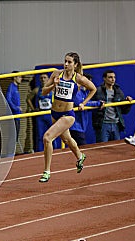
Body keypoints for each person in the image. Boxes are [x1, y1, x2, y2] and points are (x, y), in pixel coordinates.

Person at [39, 52, 97, 183]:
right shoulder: (56, 74)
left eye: (69, 62)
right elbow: (43, 91)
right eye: (65, 61)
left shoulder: (78, 78)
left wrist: (83, 103)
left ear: (75, 65)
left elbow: (93, 89)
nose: (66, 64)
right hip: (54, 113)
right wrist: (54, 85)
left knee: (47, 138)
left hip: (67, 115)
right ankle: (80, 156)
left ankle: (47, 171)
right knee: (67, 139)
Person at [91, 70, 133, 143]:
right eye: (110, 77)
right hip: (103, 124)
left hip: (115, 124)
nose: (113, 79)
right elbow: (91, 105)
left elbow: (124, 111)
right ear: (104, 78)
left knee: (116, 149)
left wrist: (128, 102)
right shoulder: (98, 90)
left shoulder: (118, 91)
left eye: (114, 77)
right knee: (102, 148)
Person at [70, 73, 103, 146]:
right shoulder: (76, 91)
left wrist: (97, 106)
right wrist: (98, 103)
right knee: (82, 147)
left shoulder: (85, 93)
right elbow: (80, 103)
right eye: (88, 82)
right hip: (74, 126)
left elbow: (86, 105)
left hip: (81, 125)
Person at [27, 73, 57, 152]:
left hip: (50, 114)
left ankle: (55, 150)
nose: (43, 79)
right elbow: (28, 99)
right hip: (40, 115)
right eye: (41, 78)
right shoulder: (37, 89)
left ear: (48, 79)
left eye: (45, 78)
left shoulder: (52, 89)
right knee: (40, 134)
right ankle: (39, 151)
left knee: (52, 133)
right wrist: (33, 109)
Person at [5, 71, 22, 141]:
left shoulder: (16, 88)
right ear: (15, 77)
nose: (21, 79)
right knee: (12, 137)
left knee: (15, 137)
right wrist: (16, 108)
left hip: (17, 116)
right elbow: (8, 99)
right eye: (19, 77)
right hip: (13, 115)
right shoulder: (11, 87)